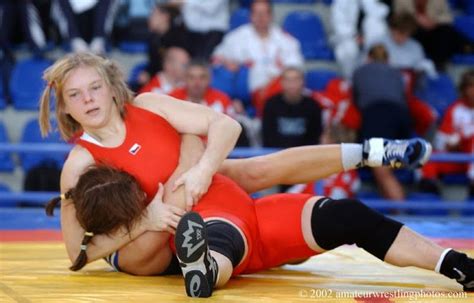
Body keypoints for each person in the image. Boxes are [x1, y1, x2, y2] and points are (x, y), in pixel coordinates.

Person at [38, 52, 473, 298]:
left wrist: (201, 167)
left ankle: (453, 263)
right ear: (66, 108)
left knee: (344, 212)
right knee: (219, 226)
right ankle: (204, 270)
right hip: (167, 235)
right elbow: (77, 254)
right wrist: (148, 219)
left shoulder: (149, 107)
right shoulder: (80, 164)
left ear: (112, 87)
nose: (88, 99)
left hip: (222, 200)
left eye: (94, 87)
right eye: (75, 95)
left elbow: (225, 126)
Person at [212, 0, 303, 113]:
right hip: (246, 93)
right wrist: (226, 62)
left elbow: (296, 69)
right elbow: (215, 58)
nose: (261, 17)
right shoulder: (236, 37)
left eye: (264, 13)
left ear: (271, 16)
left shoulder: (285, 39)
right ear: (250, 16)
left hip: (278, 93)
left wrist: (271, 84)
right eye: (257, 13)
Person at [353, 44, 413, 200]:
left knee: (381, 168)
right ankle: (391, 213)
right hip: (401, 118)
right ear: (388, 59)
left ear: (368, 58)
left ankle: (402, 215)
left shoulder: (360, 72)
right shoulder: (397, 73)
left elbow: (356, 100)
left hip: (378, 117)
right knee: (380, 166)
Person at [418, 69, 474, 198]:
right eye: (470, 86)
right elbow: (441, 140)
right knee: (429, 159)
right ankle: (430, 197)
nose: (473, 91)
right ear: (463, 89)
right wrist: (451, 143)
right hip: (460, 157)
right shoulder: (455, 109)